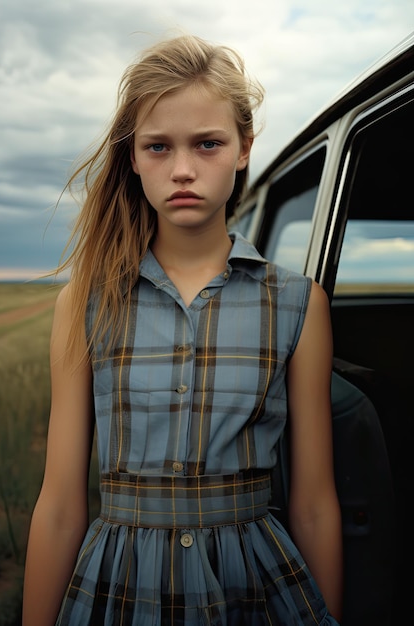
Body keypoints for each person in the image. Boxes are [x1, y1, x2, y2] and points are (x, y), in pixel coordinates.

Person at [22, 34, 343, 625]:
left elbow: (316, 504)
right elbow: (62, 505)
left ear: (244, 148)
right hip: (118, 587)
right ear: (134, 157)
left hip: (256, 585)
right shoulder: (86, 303)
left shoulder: (299, 304)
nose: (184, 170)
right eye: (158, 147)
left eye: (208, 144)